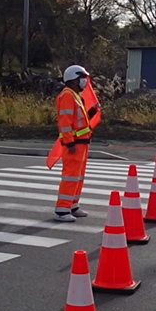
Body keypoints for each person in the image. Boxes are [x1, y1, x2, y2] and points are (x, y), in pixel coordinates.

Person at [52, 64, 100, 222]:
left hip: (81, 143)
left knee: (78, 177)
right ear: (73, 80)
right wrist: (69, 143)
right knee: (70, 176)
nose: (85, 82)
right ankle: (62, 209)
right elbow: (65, 122)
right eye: (82, 78)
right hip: (74, 144)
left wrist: (91, 112)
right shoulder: (67, 95)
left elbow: (78, 119)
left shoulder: (74, 95)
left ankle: (73, 205)